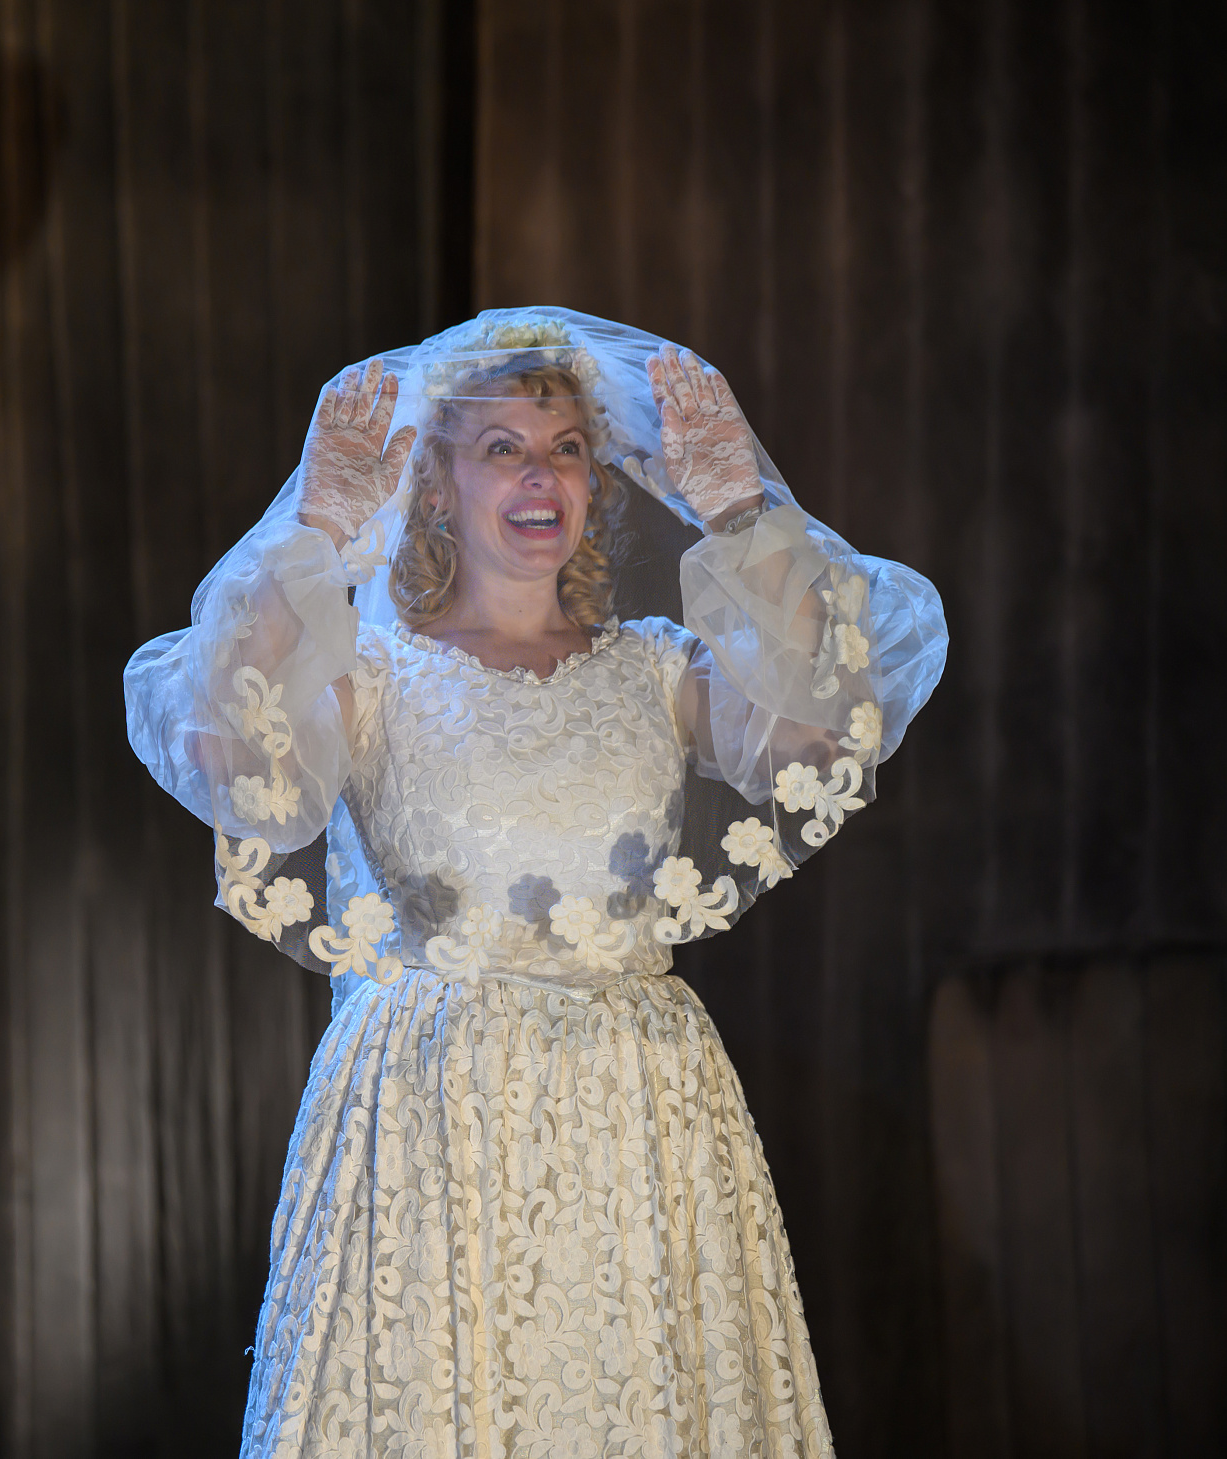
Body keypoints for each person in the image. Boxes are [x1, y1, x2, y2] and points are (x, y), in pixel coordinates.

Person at [125, 308, 947, 1455]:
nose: (538, 475)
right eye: (501, 446)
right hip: (428, 1117)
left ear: (594, 479)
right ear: (435, 483)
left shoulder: (658, 671)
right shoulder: (373, 676)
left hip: (637, 1112)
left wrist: (742, 515)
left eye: (563, 447)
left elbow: (824, 729)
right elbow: (229, 753)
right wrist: (313, 528)